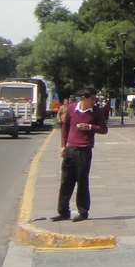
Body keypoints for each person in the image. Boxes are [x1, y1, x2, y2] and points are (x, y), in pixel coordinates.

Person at [51, 87, 109, 222]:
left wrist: (89, 127)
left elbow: (104, 129)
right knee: (66, 180)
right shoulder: (71, 108)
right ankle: (63, 211)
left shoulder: (96, 112)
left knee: (82, 181)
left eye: (95, 99)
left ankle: (83, 211)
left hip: (84, 150)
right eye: (92, 98)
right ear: (84, 98)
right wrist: (62, 146)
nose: (94, 101)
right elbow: (65, 127)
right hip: (70, 149)